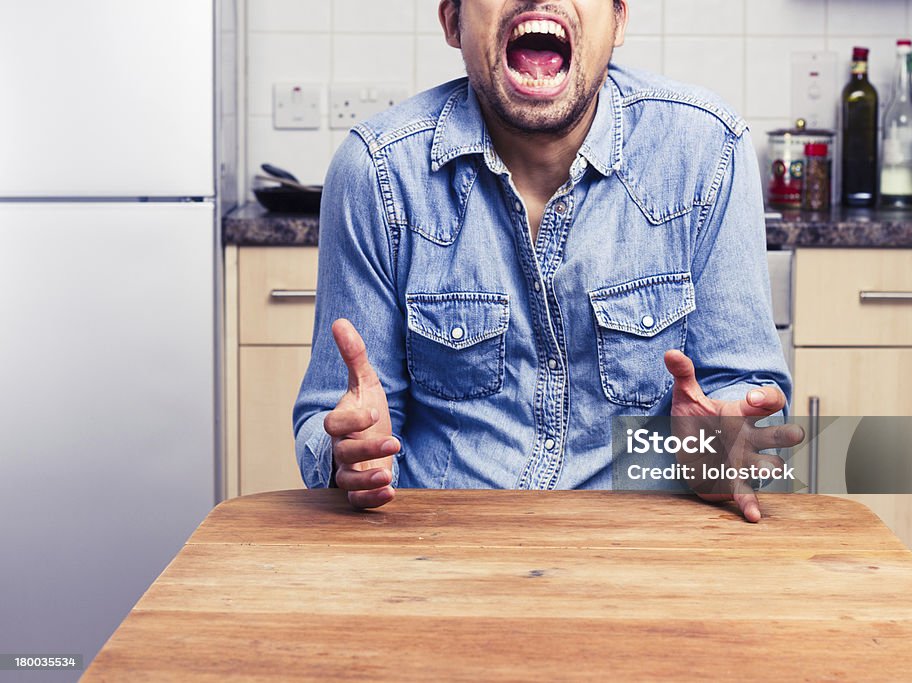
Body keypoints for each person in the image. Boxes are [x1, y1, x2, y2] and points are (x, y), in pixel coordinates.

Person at [293, 0, 799, 523]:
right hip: (439, 550)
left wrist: (725, 452)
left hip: (642, 545)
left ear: (619, 20)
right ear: (452, 22)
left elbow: (743, 396)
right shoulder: (377, 172)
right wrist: (348, 456)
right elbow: (334, 415)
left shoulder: (707, 151)